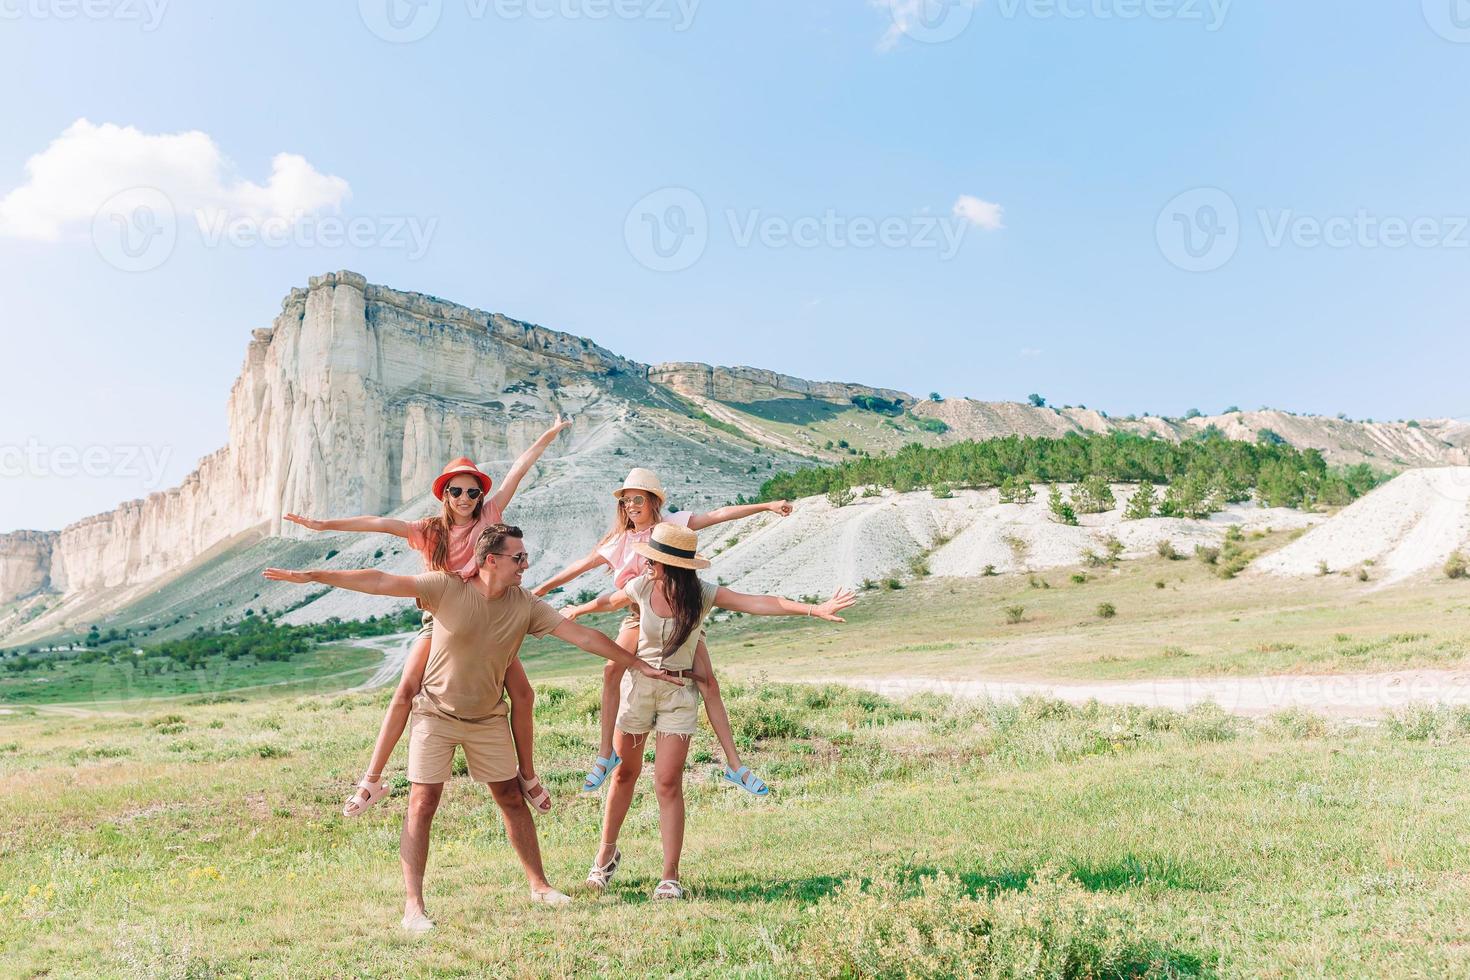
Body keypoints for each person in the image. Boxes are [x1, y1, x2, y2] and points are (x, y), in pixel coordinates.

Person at [263, 523, 683, 931]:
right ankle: (414, 908)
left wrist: (639, 664)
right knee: (422, 803)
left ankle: (539, 886)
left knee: (511, 798)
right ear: (489, 560)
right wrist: (313, 575)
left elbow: (585, 637)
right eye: (518, 557)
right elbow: (379, 581)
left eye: (526, 557)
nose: (524, 564)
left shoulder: (526, 604)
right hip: (435, 715)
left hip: (487, 719)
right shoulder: (445, 588)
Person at [284, 415, 571, 818]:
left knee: (523, 694)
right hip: (443, 622)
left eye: (473, 491)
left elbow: (520, 468)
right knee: (406, 688)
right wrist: (322, 525)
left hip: (489, 622)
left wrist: (550, 433)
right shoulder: (429, 530)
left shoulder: (492, 515)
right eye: (457, 490)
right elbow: (379, 524)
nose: (466, 498)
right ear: (445, 493)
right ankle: (372, 779)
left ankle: (527, 774)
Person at [584, 522, 854, 900]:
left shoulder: (702, 594)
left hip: (679, 694)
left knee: (666, 782)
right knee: (624, 775)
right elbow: (604, 603)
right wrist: (571, 612)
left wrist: (813, 609)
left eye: (653, 561)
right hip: (638, 691)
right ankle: (606, 856)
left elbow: (758, 602)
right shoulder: (642, 586)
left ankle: (669, 875)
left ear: (668, 566)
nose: (646, 565)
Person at [533, 467, 792, 795]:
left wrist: (765, 506)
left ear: (654, 500)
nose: (630, 506)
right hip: (639, 613)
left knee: (708, 683)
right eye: (625, 501)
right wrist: (539, 591)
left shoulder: (672, 526)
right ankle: (605, 753)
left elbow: (718, 515)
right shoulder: (619, 540)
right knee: (611, 669)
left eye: (637, 499)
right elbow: (578, 567)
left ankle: (735, 766)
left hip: (681, 614)